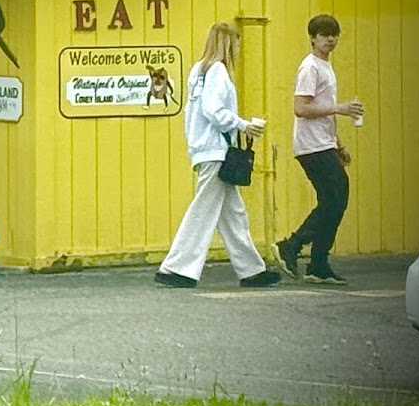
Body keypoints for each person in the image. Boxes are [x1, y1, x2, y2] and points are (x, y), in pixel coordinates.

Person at [155, 22, 279, 289]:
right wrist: (244, 125)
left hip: (203, 150)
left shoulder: (197, 71)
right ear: (228, 44)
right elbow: (214, 111)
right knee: (202, 210)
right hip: (217, 151)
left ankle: (252, 270)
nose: (238, 50)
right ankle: (175, 268)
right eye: (236, 44)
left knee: (234, 214)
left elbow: (195, 112)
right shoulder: (219, 71)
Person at [276, 14, 364, 285]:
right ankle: (292, 246)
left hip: (323, 143)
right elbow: (301, 108)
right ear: (312, 38)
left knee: (334, 199)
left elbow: (323, 111)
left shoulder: (326, 67)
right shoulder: (310, 68)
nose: (331, 39)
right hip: (310, 146)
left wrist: (338, 144)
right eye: (325, 35)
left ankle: (317, 264)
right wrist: (340, 108)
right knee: (335, 198)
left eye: (334, 34)